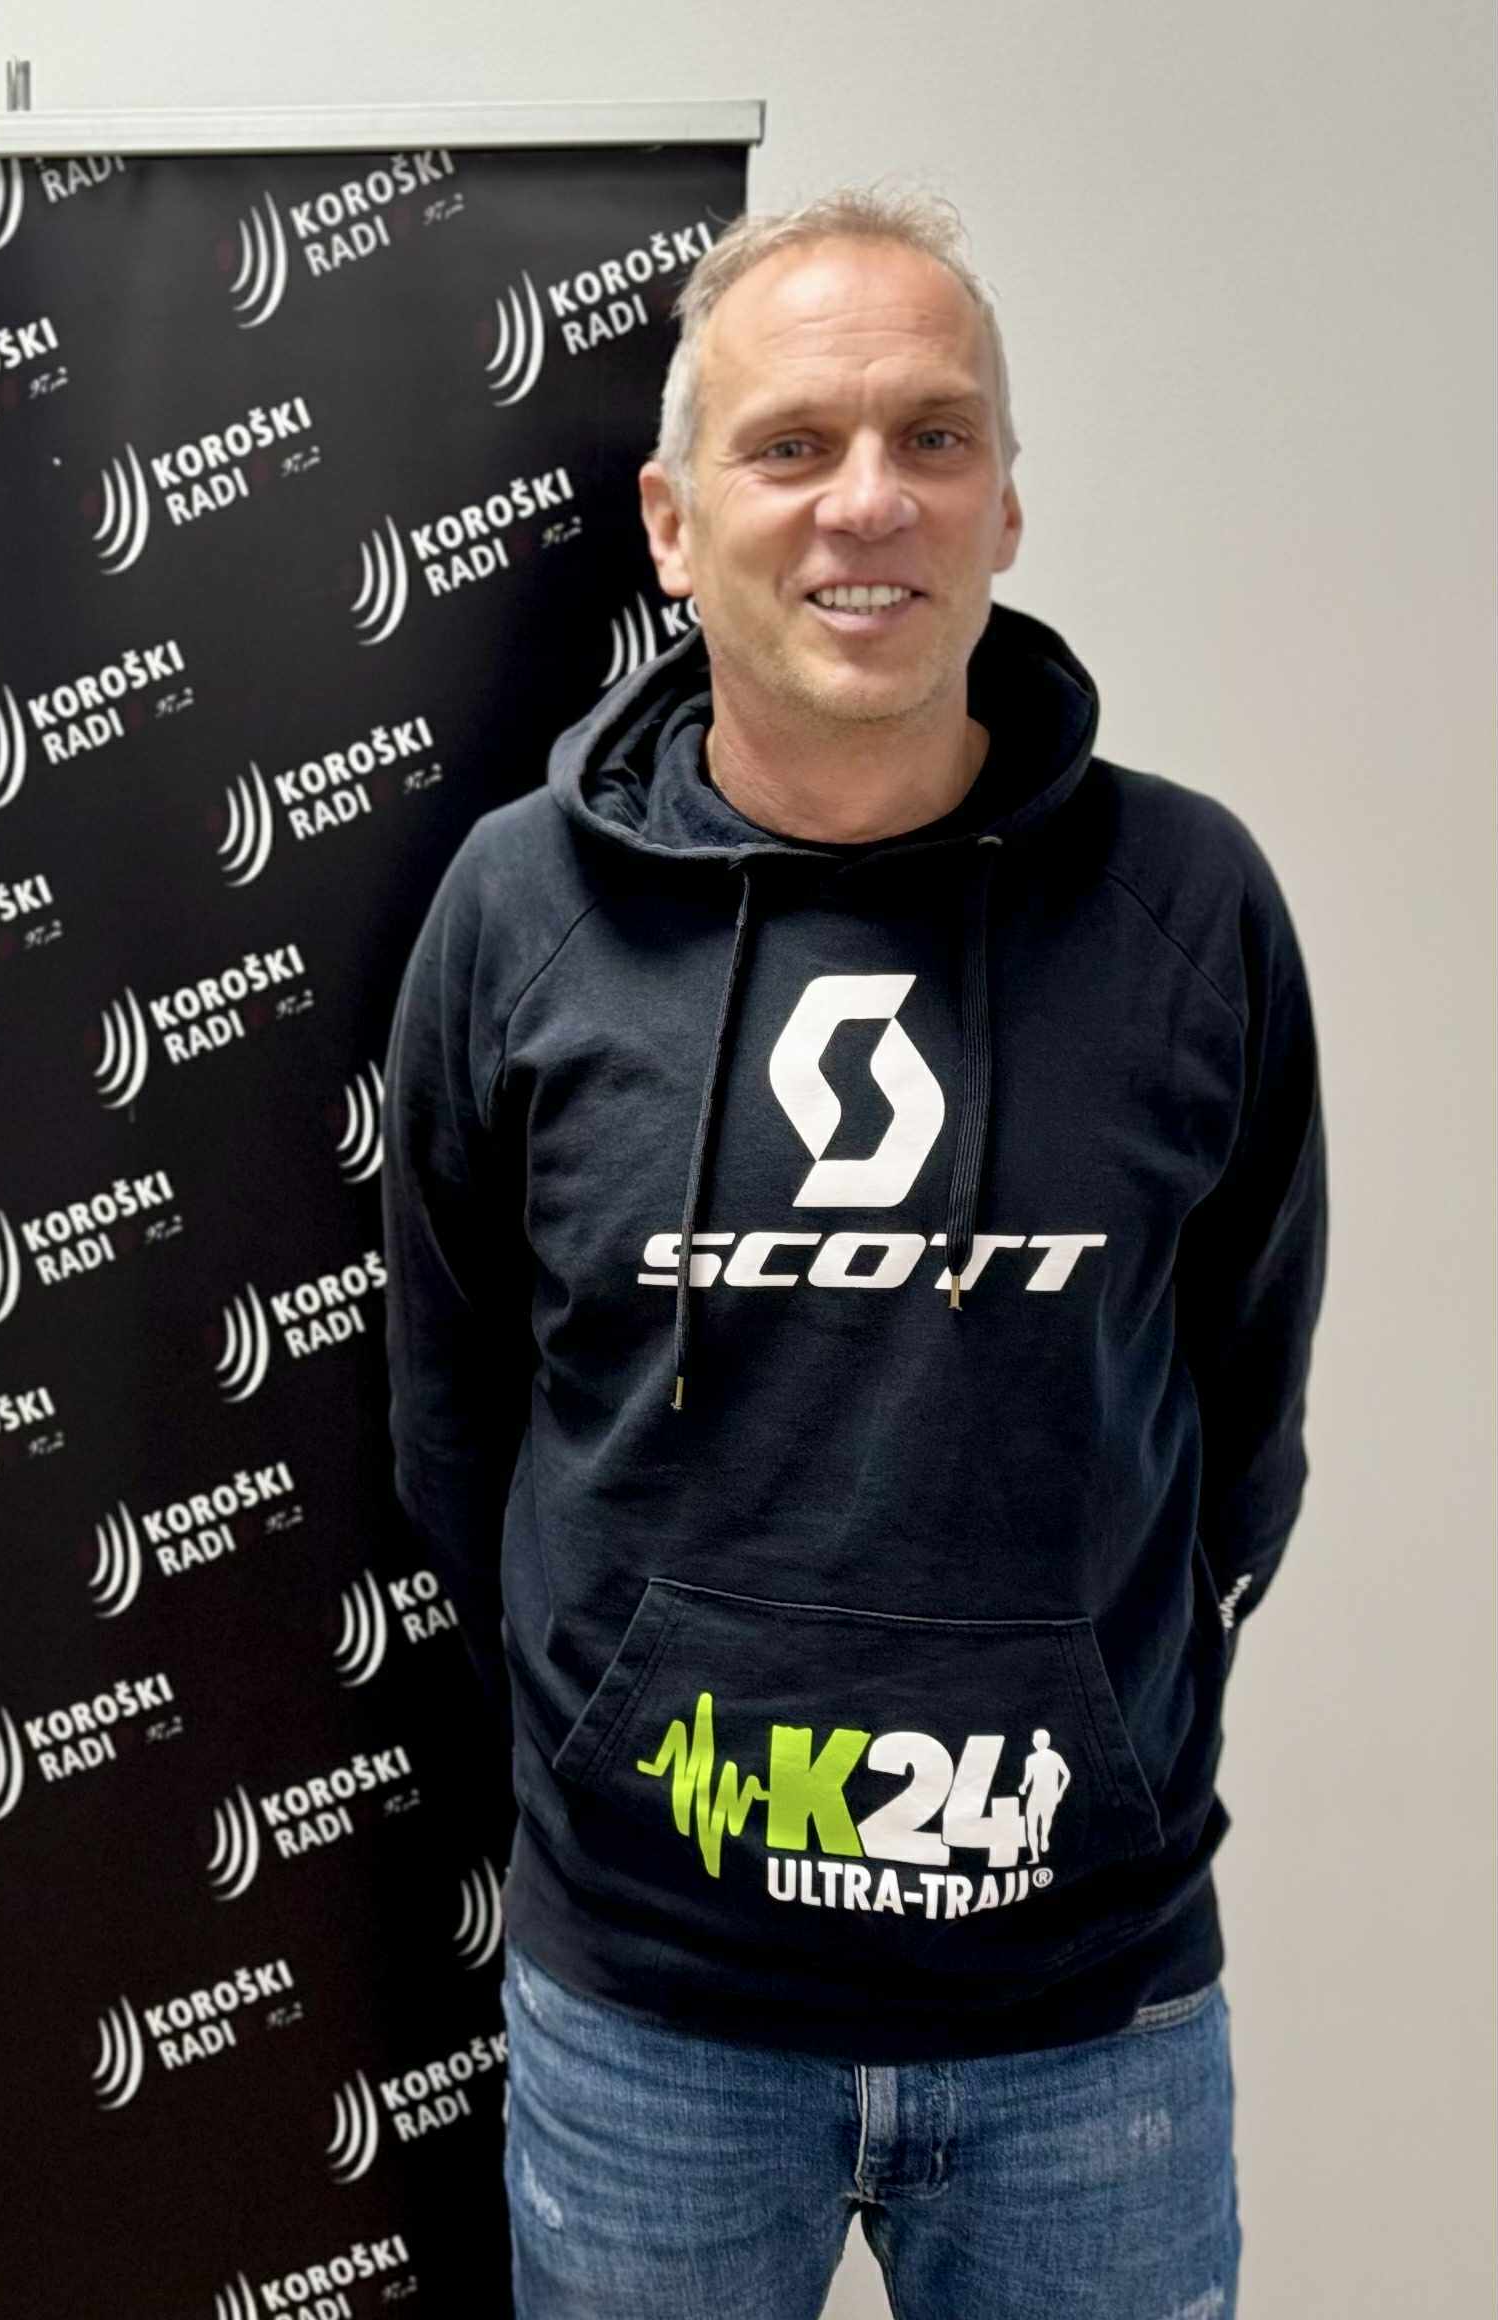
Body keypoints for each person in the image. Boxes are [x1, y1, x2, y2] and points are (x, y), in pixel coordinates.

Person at [382, 188, 1323, 2319]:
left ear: (1005, 504)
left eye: (932, 436)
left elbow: (1241, 1410)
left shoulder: (1188, 902)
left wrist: (1084, 1718)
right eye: (790, 444)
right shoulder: (517, 912)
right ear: (669, 519)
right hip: (653, 2020)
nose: (865, 503)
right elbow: (456, 1431)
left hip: (1086, 2020)